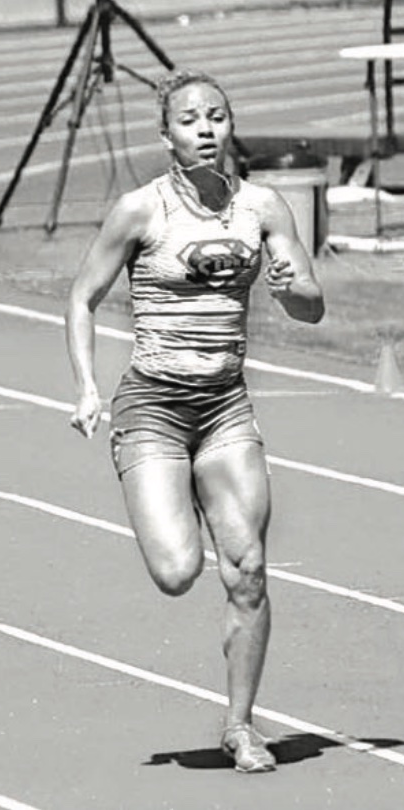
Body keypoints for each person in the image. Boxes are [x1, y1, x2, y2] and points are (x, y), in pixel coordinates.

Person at [65, 68, 324, 773]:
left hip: (224, 408)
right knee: (178, 571)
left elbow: (309, 305)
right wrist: (88, 388)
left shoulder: (263, 207)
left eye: (215, 115)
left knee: (247, 572)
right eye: (188, 119)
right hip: (152, 406)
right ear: (166, 134)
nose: (204, 128)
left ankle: (240, 727)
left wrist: (293, 287)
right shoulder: (138, 211)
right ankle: (165, 481)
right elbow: (82, 298)